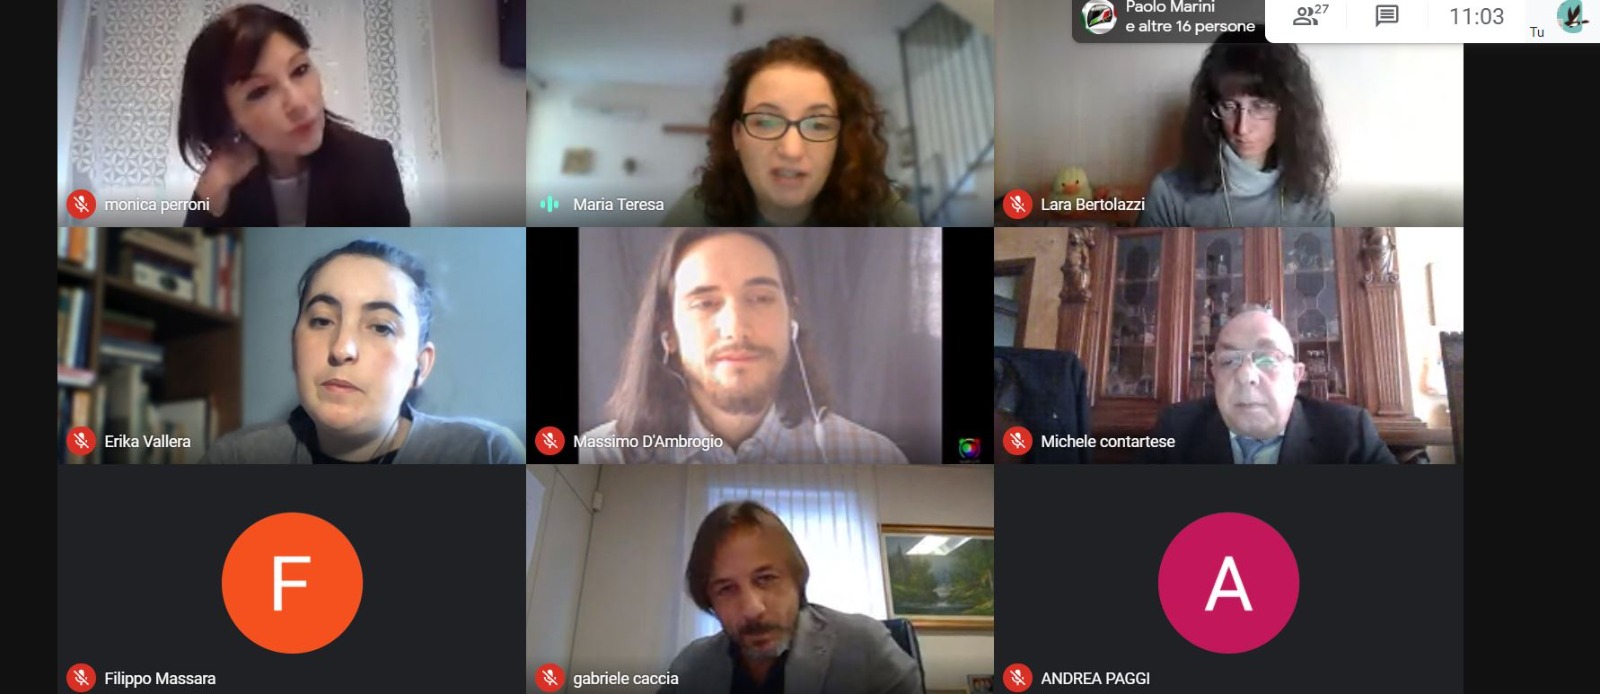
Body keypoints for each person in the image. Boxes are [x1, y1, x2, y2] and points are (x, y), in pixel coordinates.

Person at [580, 228, 908, 464]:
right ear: (668, 331)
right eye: (705, 303)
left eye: (760, 298)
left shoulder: (874, 456)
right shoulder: (600, 455)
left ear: (790, 319)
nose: (735, 327)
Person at [201, 240, 524, 464]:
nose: (342, 349)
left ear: (420, 366)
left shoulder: (484, 454)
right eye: (322, 320)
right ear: (293, 345)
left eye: (381, 327)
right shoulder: (236, 459)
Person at [177, 4, 410, 226]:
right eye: (260, 91)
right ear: (228, 117)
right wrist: (211, 190)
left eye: (300, 70)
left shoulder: (371, 164)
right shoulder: (225, 182)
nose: (298, 103)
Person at [658, 501, 923, 694]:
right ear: (709, 600)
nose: (752, 608)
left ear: (796, 579)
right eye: (726, 589)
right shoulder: (689, 668)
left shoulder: (866, 647)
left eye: (766, 578)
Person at [661, 36, 921, 227]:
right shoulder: (694, 215)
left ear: (840, 140)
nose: (792, 150)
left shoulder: (884, 214)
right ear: (737, 135)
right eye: (766, 122)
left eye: (818, 125)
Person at [1138, 305, 1397, 464]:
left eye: (1268, 359)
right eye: (1229, 360)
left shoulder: (1351, 435)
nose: (1246, 375)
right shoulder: (1173, 430)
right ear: (1214, 374)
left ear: (1296, 376)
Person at [1135, 28, 1334, 227]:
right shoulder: (1169, 194)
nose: (1242, 128)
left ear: (1290, 110)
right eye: (1229, 107)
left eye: (1260, 106)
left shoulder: (1310, 199)